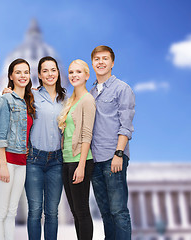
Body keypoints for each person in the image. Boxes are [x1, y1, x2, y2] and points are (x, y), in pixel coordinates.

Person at [89, 45, 135, 240]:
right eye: (97, 59)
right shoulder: (90, 93)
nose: (101, 62)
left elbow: (126, 125)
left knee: (119, 212)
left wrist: (119, 154)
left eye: (105, 58)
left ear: (112, 63)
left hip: (113, 157)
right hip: (95, 159)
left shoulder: (122, 89)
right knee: (106, 213)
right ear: (92, 63)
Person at [0, 58, 35, 240]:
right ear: (10, 76)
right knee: (0, 211)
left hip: (21, 162)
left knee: (11, 212)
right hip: (5, 160)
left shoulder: (29, 102)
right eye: (18, 72)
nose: (22, 76)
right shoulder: (5, 99)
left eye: (26, 72)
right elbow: (0, 134)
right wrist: (2, 164)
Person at [25, 56, 66, 240]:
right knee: (34, 211)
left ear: (58, 73)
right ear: (39, 75)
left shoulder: (66, 99)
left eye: (53, 70)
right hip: (34, 159)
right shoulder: (31, 96)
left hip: (57, 161)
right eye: (45, 71)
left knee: (52, 212)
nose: (50, 74)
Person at [57, 59, 96, 240]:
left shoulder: (87, 100)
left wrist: (81, 165)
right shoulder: (71, 100)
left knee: (82, 211)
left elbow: (87, 134)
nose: (74, 76)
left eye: (78, 72)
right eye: (71, 72)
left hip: (79, 161)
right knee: (75, 212)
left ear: (87, 75)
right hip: (66, 161)